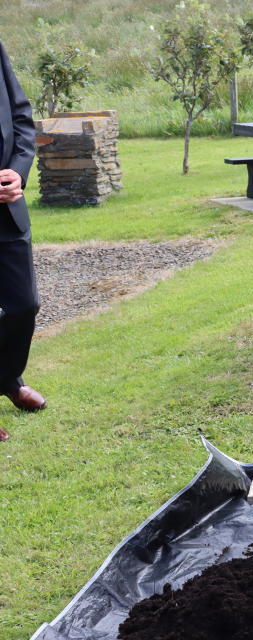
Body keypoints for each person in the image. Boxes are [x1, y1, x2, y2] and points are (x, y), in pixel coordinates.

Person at [0, 39, 45, 434]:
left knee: (23, 304)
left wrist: (18, 169)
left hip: (7, 209)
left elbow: (21, 117)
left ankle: (8, 378)